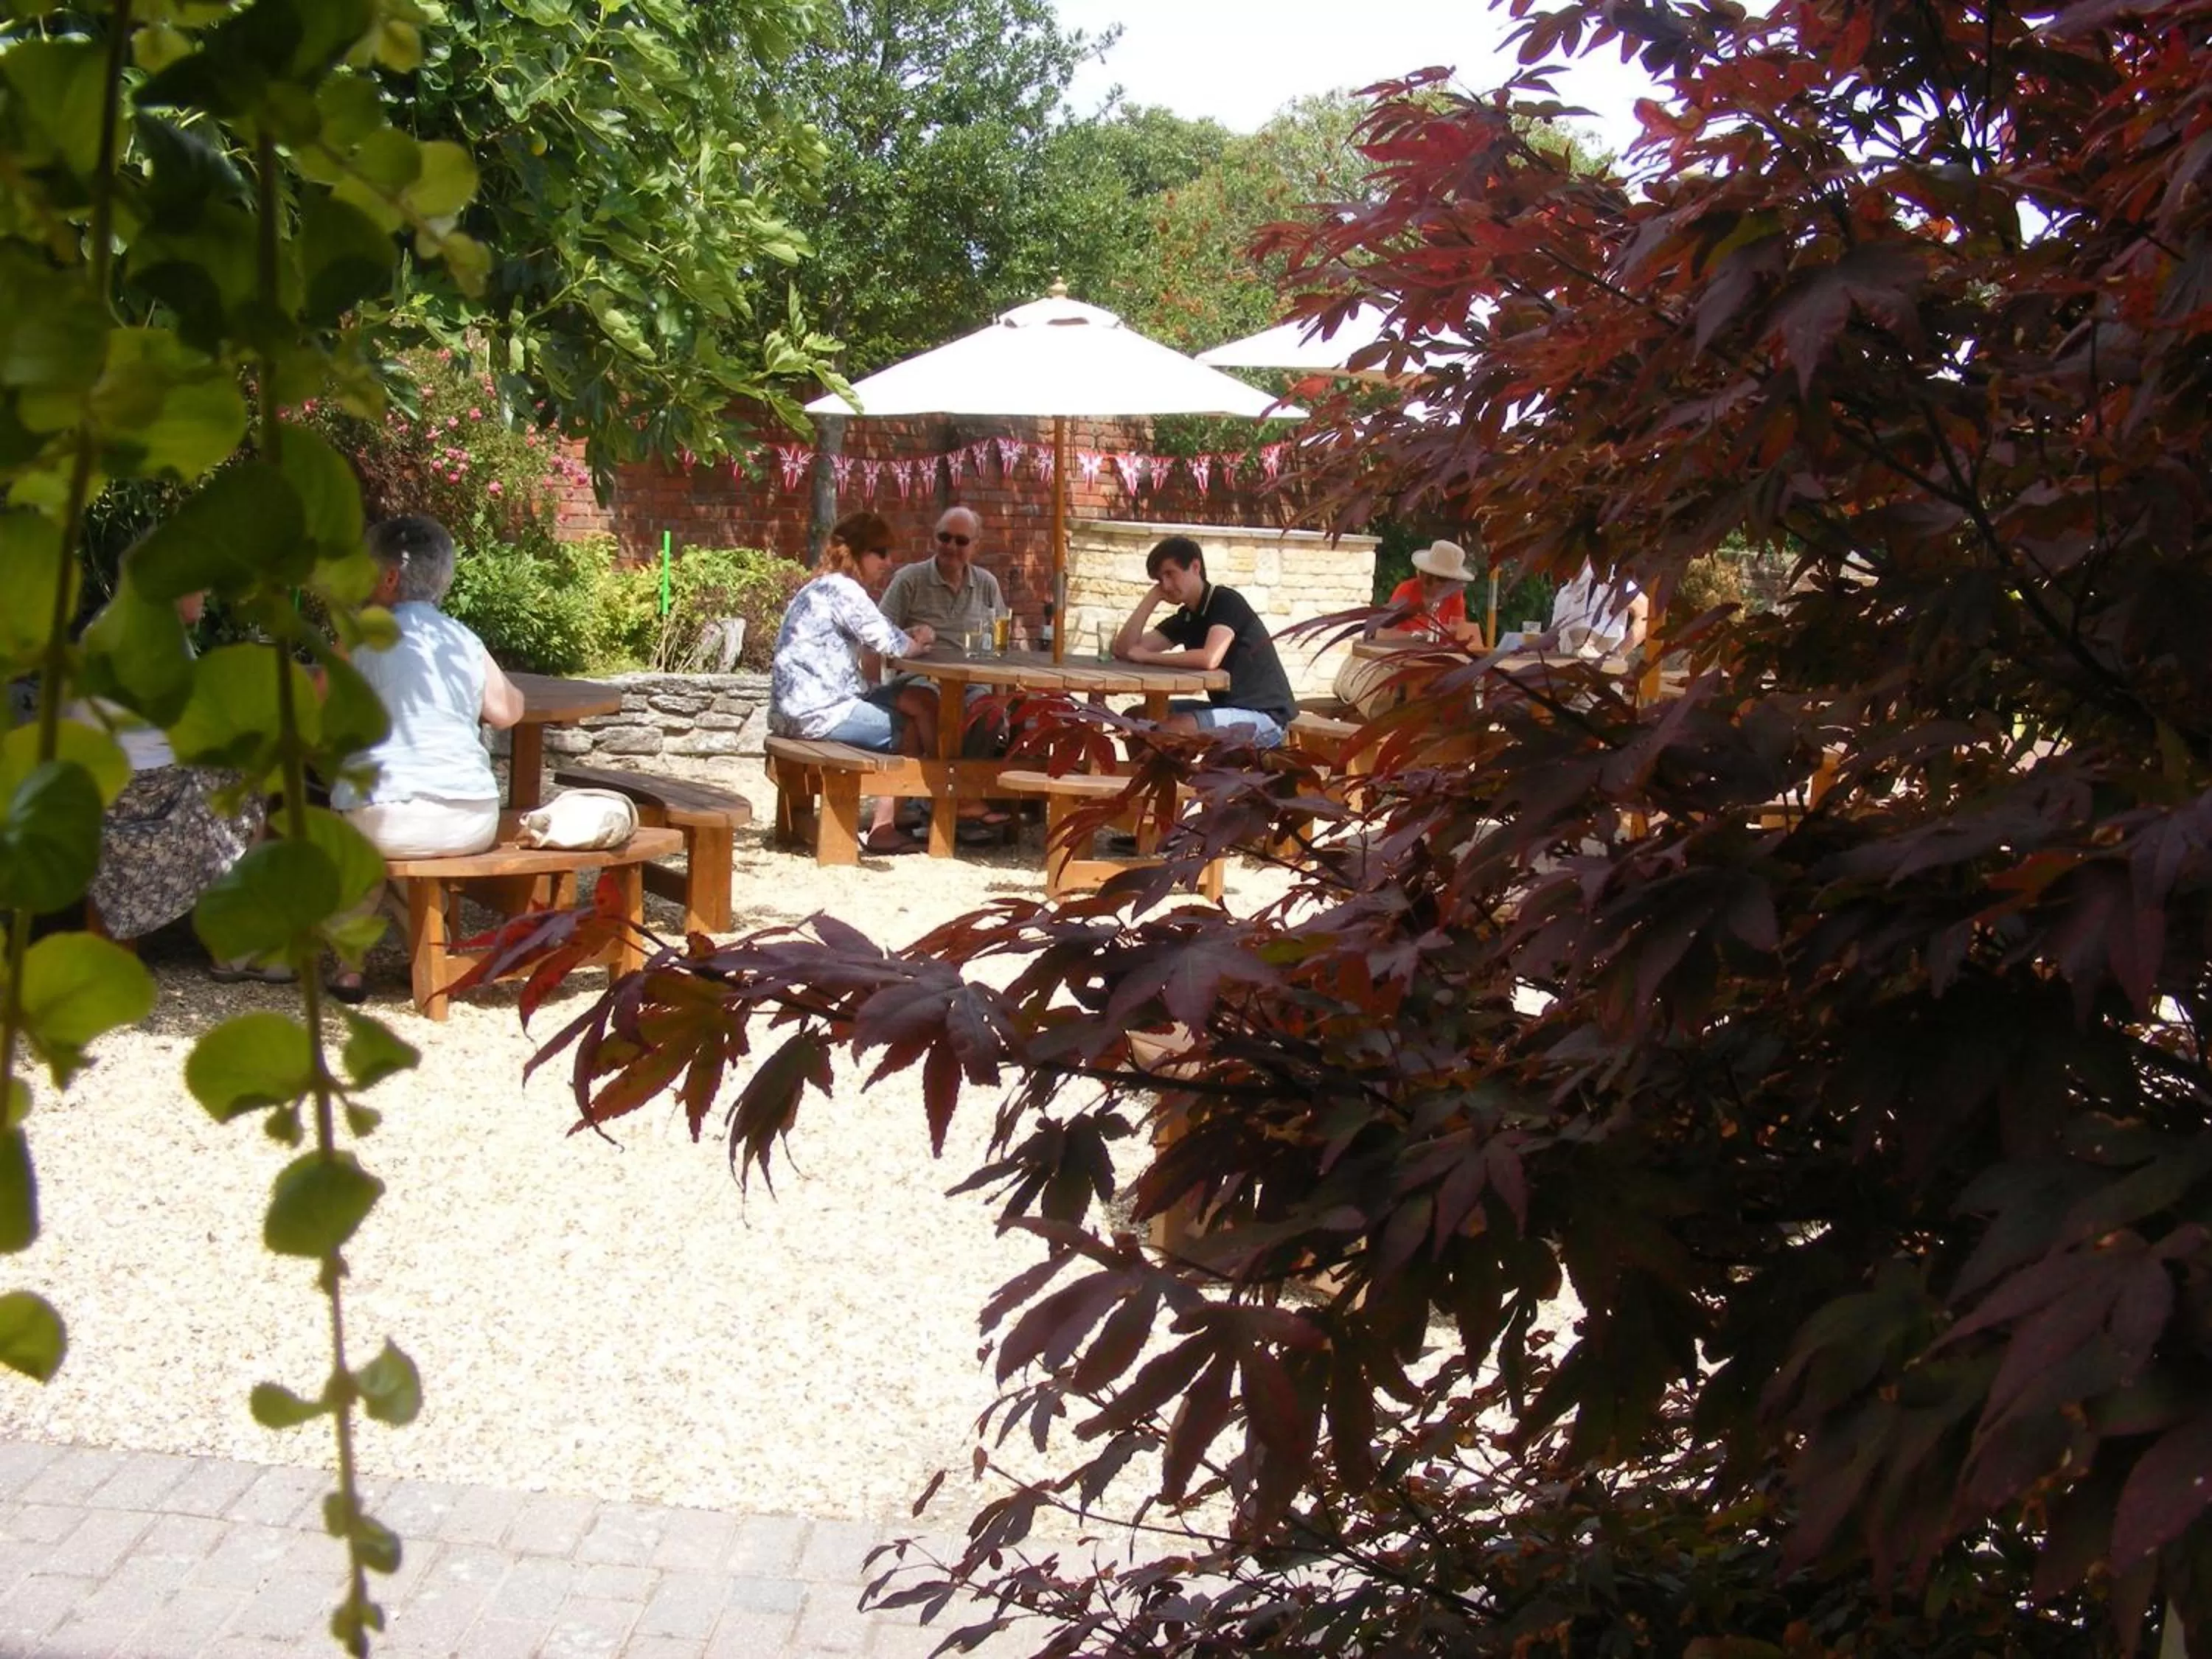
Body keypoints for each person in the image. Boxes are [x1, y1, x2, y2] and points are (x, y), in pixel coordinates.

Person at [69, 590, 268, 973]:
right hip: (142, 795)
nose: (208, 594)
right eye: (200, 586)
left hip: (98, 788)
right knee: (250, 788)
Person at [769, 510, 939, 856]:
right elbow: (890, 644)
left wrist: (903, 639)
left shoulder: (819, 586)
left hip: (797, 709)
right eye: (881, 552)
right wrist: (919, 642)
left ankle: (931, 802)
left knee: (920, 700)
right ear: (857, 553)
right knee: (908, 726)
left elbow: (878, 636)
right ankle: (887, 827)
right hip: (819, 712)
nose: (889, 562)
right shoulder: (844, 590)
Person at [1110, 535, 1296, 748]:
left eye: (1170, 574)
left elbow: (1210, 658)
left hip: (1264, 717)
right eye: (1160, 579)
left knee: (1168, 729)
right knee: (1134, 718)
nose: (1166, 585)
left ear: (1195, 566)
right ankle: (1155, 778)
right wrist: (1152, 597)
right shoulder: (1188, 616)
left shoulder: (1225, 601)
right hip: (1226, 709)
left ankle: (1174, 779)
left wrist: (1149, 658)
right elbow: (1124, 649)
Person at [879, 506, 1004, 644]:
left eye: (961, 541)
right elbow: (878, 635)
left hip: (974, 666)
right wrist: (908, 635)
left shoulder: (987, 585)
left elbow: (1000, 642)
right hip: (920, 666)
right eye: (945, 538)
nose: (951, 547)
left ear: (976, 546)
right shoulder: (909, 581)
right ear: (934, 538)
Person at [1385, 538, 1484, 647]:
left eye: (1454, 581)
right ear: (1425, 576)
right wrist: (1423, 635)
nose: (1449, 587)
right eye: (1443, 580)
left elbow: (1461, 634)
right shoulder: (1407, 590)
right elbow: (1383, 634)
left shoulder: (1455, 595)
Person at [1549, 561, 1649, 654]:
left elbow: (1645, 611)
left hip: (1603, 670)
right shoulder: (1563, 594)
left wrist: (1617, 655)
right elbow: (1556, 643)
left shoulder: (1608, 577)